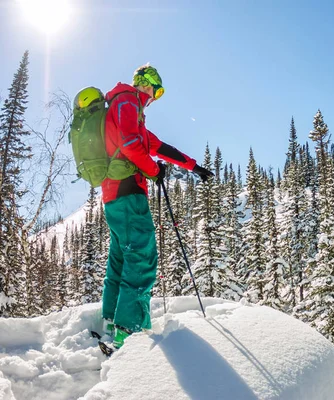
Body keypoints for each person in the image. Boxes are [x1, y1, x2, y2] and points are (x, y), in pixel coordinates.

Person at [101, 64, 213, 348]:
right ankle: (130, 335)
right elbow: (130, 145)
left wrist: (194, 167)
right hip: (128, 194)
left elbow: (159, 146)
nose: (154, 96)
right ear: (142, 83)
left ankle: (111, 322)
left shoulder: (127, 110)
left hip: (115, 196)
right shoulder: (127, 101)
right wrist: (153, 171)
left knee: (121, 258)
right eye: (154, 88)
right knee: (141, 258)